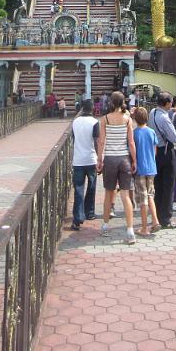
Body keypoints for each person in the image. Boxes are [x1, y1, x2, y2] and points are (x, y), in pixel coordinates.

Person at [97, 92, 137, 244]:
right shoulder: (127, 119)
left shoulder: (105, 119)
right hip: (124, 159)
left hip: (110, 159)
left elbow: (101, 141)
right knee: (125, 196)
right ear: (123, 102)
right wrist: (134, 160)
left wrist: (100, 159)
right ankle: (130, 231)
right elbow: (131, 143)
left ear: (112, 103)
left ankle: (106, 226)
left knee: (108, 194)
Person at [148, 91, 176, 228]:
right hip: (166, 152)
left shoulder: (153, 112)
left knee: (158, 185)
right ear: (167, 103)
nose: (172, 104)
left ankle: (156, 215)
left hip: (155, 152)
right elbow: (175, 138)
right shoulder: (165, 119)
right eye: (171, 102)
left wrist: (173, 110)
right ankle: (166, 219)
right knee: (168, 186)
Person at [131, 107, 161, 236]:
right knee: (150, 196)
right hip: (151, 168)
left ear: (135, 119)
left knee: (142, 199)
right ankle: (155, 221)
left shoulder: (134, 133)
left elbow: (132, 151)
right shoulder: (151, 132)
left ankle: (144, 228)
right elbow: (155, 151)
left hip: (140, 169)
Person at [70, 99, 99, 230]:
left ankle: (77, 218)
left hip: (78, 160)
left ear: (82, 109)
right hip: (91, 158)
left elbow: (73, 138)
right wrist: (99, 158)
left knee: (78, 189)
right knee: (92, 187)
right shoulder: (94, 122)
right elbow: (96, 141)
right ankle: (89, 212)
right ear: (92, 109)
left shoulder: (75, 122)